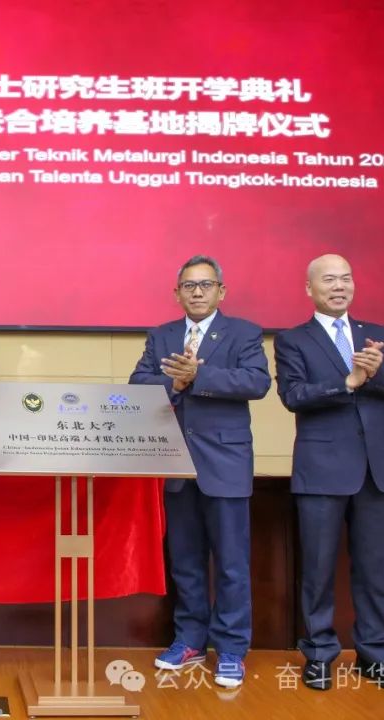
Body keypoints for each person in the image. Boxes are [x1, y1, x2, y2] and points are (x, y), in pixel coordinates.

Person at [274, 254, 384, 693]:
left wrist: (376, 372)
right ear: (310, 289)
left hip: (377, 468)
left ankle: (376, 658)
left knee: (373, 570)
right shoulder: (292, 340)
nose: (340, 286)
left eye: (346, 278)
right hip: (321, 469)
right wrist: (348, 382)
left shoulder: (378, 335)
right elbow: (293, 395)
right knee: (317, 570)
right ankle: (319, 654)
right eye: (330, 279)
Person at [129, 254, 270, 689]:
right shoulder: (162, 336)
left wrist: (199, 377)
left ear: (221, 292)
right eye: (188, 286)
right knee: (186, 561)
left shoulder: (244, 333)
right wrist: (175, 383)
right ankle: (189, 639)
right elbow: (137, 385)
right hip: (175, 463)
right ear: (177, 294)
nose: (197, 292)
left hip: (226, 462)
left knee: (231, 563)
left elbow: (256, 382)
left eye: (205, 285)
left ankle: (231, 649)